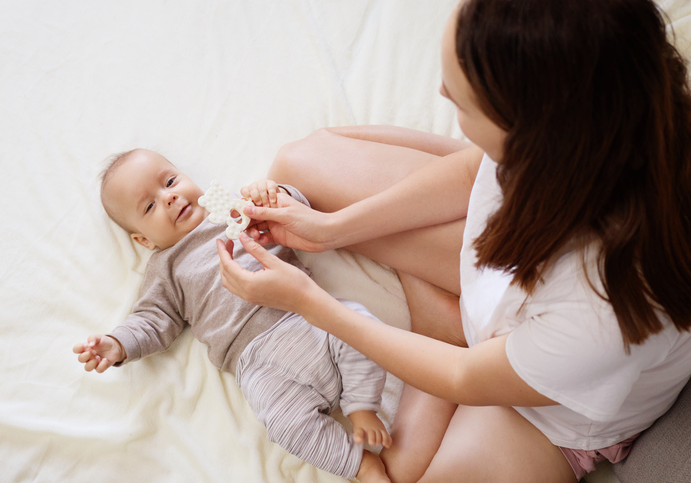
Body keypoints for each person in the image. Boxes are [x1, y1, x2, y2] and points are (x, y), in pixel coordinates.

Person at [215, 0, 691, 481]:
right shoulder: (587, 126)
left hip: (548, 413)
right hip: (520, 255)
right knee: (297, 166)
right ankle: (441, 317)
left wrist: (310, 303)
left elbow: (462, 376)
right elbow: (474, 171)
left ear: (528, 138)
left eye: (462, 102)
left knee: (402, 473)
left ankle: (440, 323)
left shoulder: (602, 311)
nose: (441, 90)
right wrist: (331, 229)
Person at [72, 148, 394, 482]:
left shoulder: (239, 210)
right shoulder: (166, 268)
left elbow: (299, 213)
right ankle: (359, 465)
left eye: (170, 181)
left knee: (360, 322)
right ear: (143, 240)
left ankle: (361, 406)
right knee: (284, 425)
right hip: (258, 364)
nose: (168, 198)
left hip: (308, 320)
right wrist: (118, 343)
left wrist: (276, 194)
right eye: (150, 206)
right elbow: (152, 320)